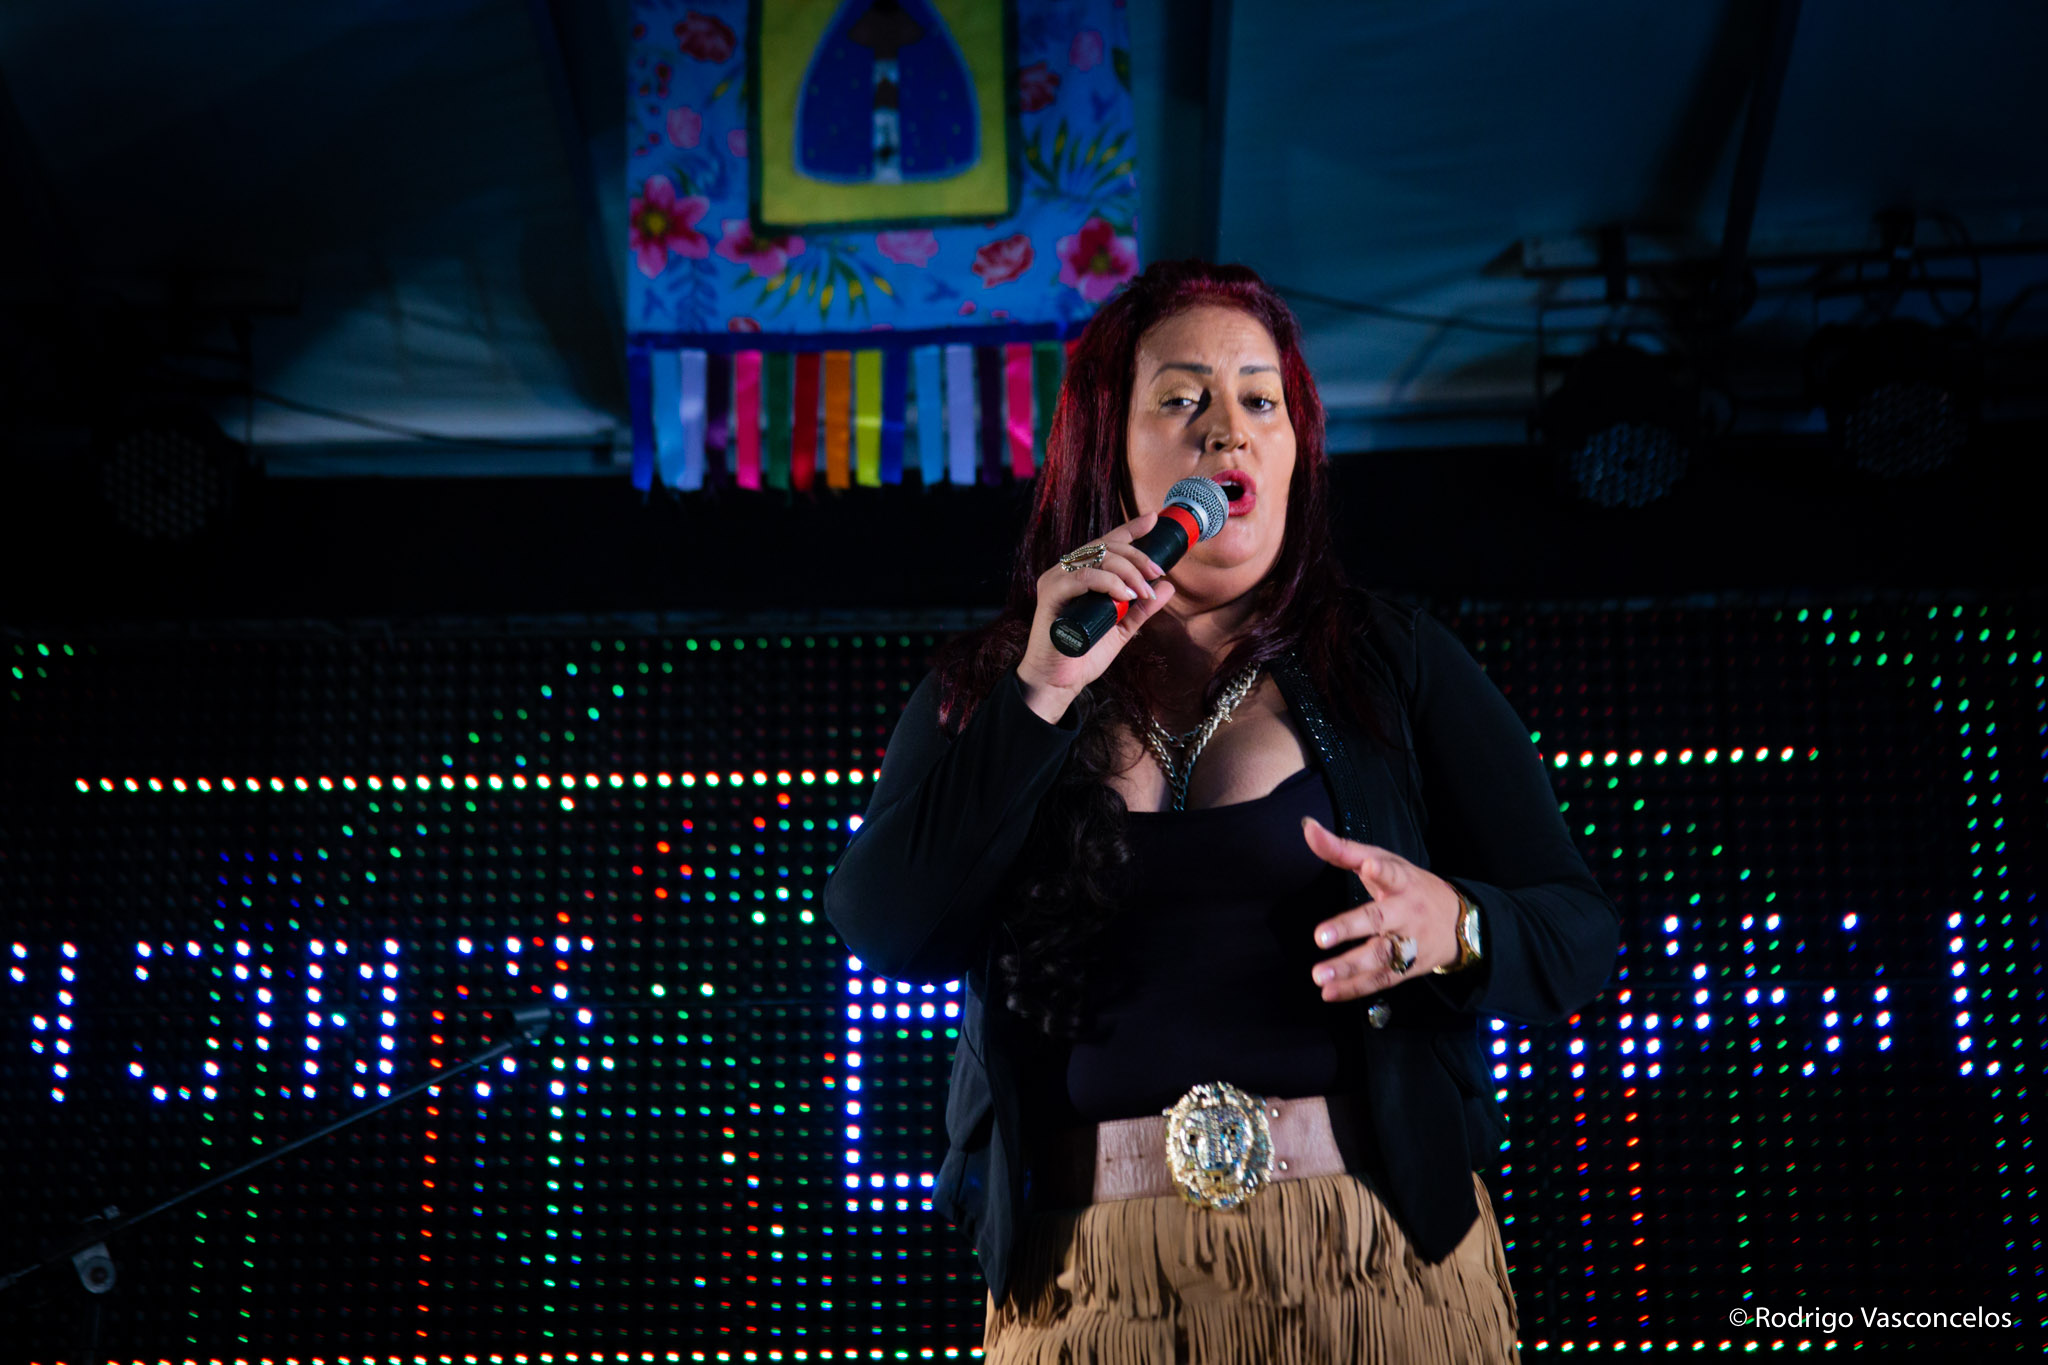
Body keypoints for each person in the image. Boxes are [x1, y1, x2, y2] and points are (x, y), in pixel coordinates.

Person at [823, 259, 1620, 1363]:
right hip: (1088, 1286)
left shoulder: (1390, 662)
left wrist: (1456, 926)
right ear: (1106, 448)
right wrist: (1041, 689)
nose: (1227, 431)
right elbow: (886, 925)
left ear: (1295, 452)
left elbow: (1579, 932)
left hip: (1367, 1261)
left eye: (1260, 401)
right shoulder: (998, 683)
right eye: (1182, 398)